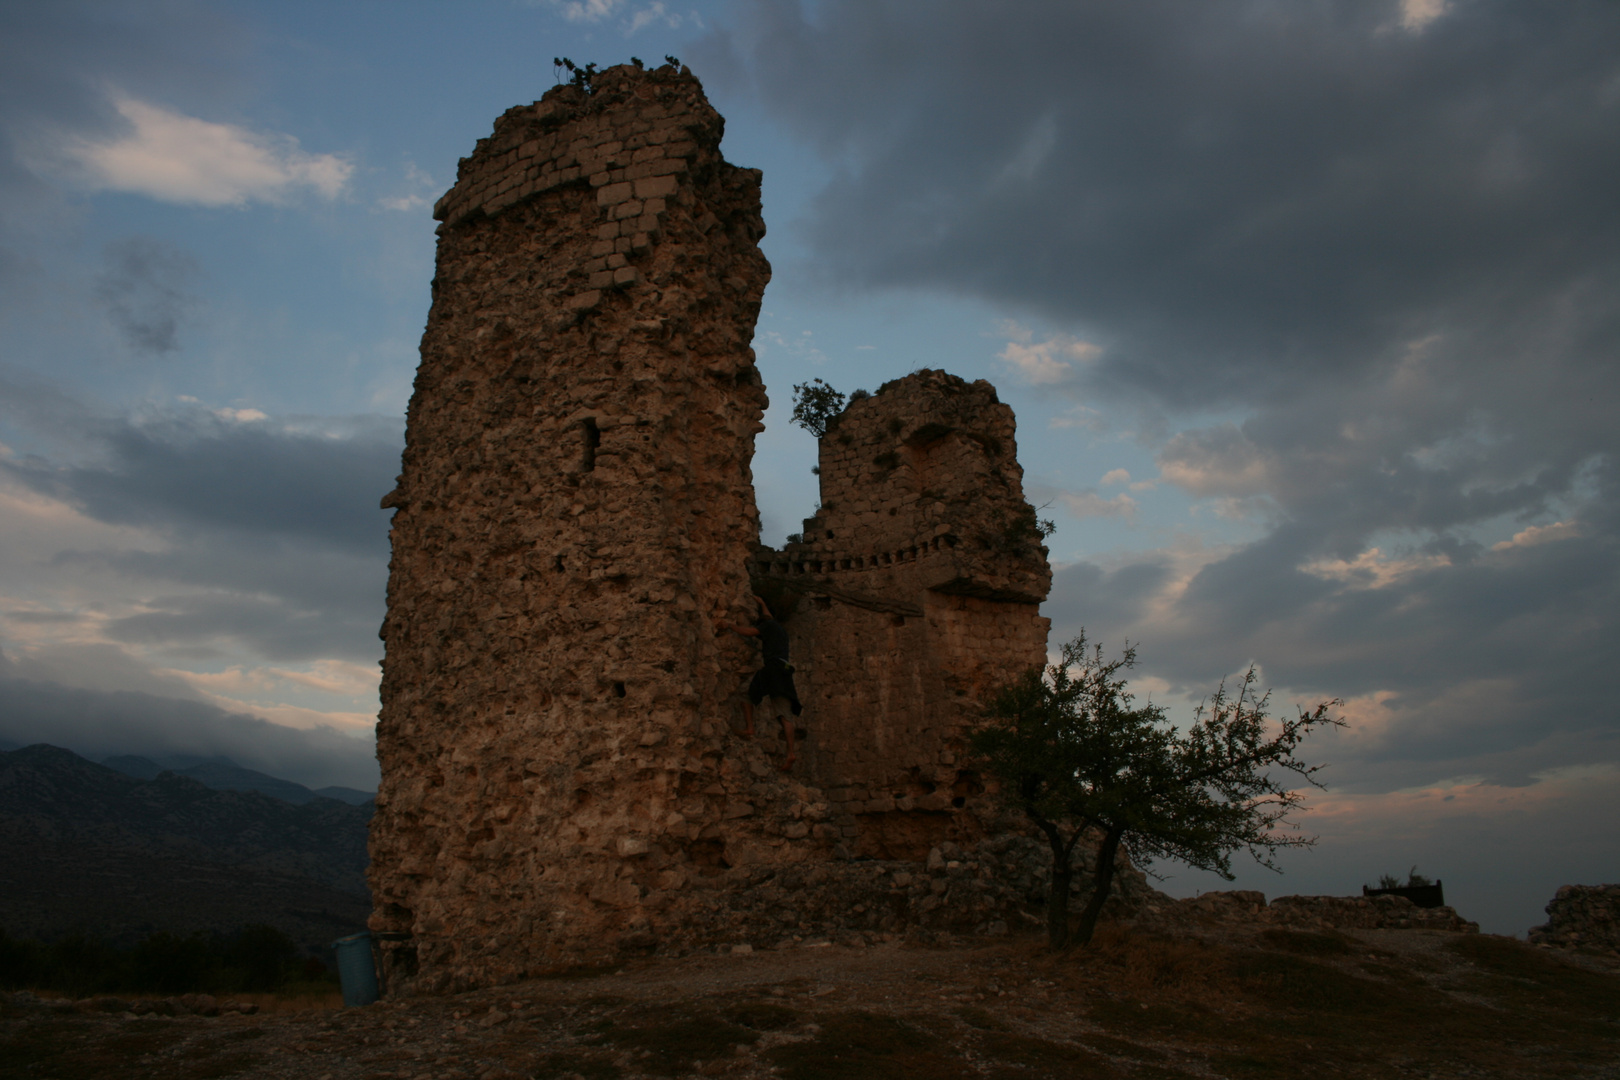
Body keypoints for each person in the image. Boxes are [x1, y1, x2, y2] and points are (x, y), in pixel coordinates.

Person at [714, 595, 804, 770]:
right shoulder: (779, 629)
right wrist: (762, 603)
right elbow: (767, 616)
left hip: (772, 669)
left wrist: (730, 626)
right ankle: (791, 753)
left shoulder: (767, 626)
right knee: (785, 715)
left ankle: (749, 728)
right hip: (784, 672)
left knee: (745, 694)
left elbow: (751, 632)